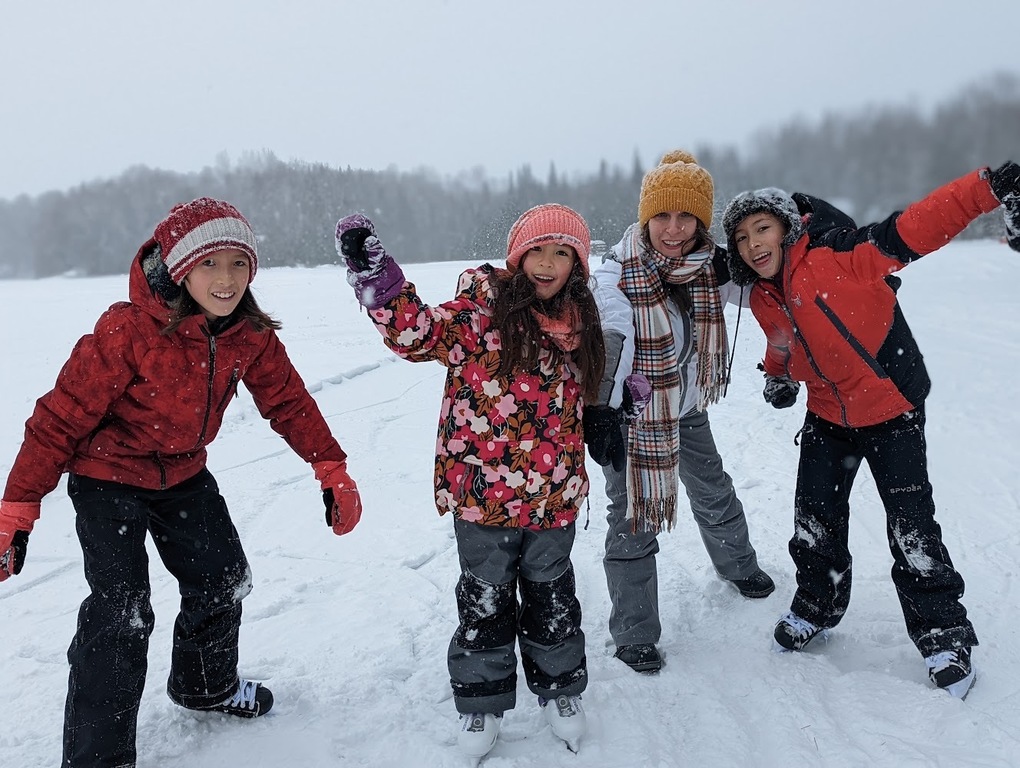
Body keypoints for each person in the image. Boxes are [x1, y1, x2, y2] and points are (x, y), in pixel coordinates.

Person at [0, 197, 363, 767]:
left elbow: (287, 401)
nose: (226, 280)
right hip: (107, 477)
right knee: (122, 613)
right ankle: (99, 758)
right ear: (179, 269)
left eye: (238, 265)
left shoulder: (247, 334)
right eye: (209, 265)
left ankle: (204, 685)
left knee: (223, 578)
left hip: (183, 474)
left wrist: (330, 466)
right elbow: (59, 417)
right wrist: (18, 507)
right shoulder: (128, 331)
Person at [720, 160, 1020, 699]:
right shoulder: (764, 295)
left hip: (890, 409)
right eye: (741, 237)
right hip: (827, 416)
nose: (752, 243)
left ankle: (942, 633)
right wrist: (780, 375)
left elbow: (917, 225)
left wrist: (988, 188)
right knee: (814, 519)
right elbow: (785, 338)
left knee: (912, 528)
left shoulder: (842, 254)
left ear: (787, 228)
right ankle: (817, 603)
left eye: (761, 228)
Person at [335, 204, 608, 759]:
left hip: (555, 494)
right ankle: (481, 700)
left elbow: (592, 392)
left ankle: (560, 688)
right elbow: (417, 333)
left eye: (562, 253)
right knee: (484, 599)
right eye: (537, 251)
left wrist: (621, 403)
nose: (548, 264)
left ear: (577, 265)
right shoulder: (481, 313)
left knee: (552, 596)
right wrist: (379, 281)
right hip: (483, 496)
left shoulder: (582, 323)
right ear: (518, 256)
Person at [584, 150, 775, 675]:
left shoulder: (709, 269)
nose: (673, 229)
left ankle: (738, 565)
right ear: (645, 217)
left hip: (685, 408)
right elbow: (611, 334)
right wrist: (601, 406)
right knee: (632, 514)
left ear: (701, 222)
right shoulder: (616, 275)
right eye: (662, 216)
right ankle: (634, 632)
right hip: (631, 418)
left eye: (686, 217)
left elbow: (773, 283)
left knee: (711, 485)